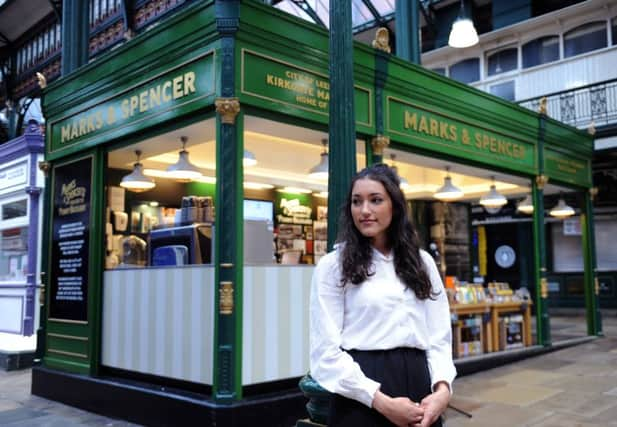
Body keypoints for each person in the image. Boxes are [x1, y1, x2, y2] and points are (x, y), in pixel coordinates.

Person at [310, 163, 456, 427]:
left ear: (395, 206)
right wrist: (381, 402)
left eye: (375, 200)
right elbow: (325, 353)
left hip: (421, 387)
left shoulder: (422, 262)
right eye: (357, 201)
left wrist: (443, 390)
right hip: (360, 393)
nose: (365, 210)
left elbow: (439, 337)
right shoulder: (333, 266)